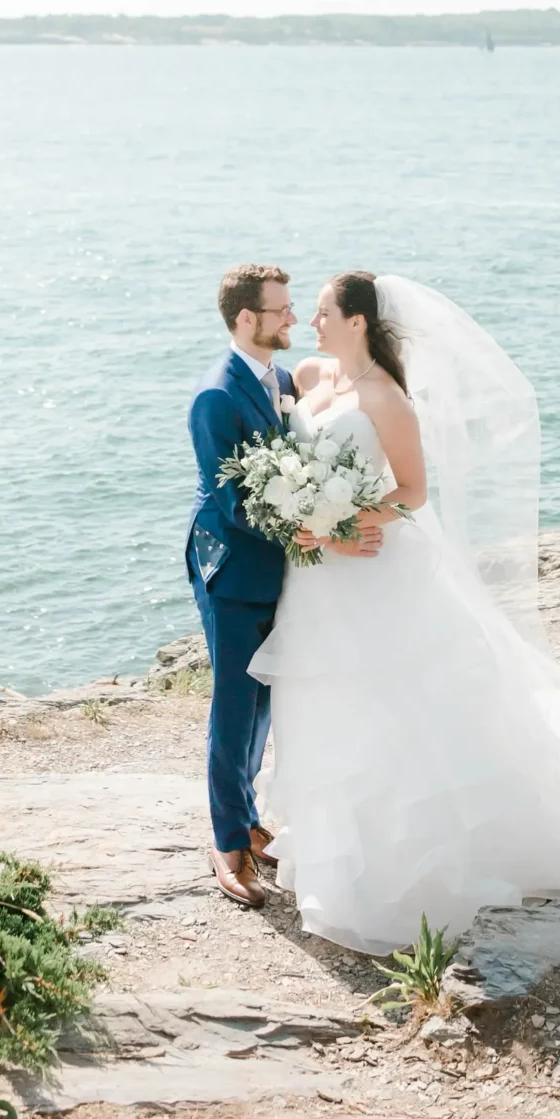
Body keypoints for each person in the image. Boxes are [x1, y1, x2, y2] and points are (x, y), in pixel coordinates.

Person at [250, 270, 560, 953]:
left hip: (372, 573)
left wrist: (339, 521)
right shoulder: (312, 377)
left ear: (358, 322)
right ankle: (331, 845)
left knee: (388, 706)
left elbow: (412, 492)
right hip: (315, 582)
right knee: (321, 698)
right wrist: (300, 513)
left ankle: (395, 864)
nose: (313, 323)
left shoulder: (386, 400)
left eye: (322, 313)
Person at [186, 262, 383, 910]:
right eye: (281, 311)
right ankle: (226, 845)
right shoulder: (215, 396)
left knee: (264, 702)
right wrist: (311, 527)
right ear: (247, 319)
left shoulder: (276, 379)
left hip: (280, 571)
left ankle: (246, 817)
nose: (293, 319)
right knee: (234, 704)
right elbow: (231, 500)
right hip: (235, 572)